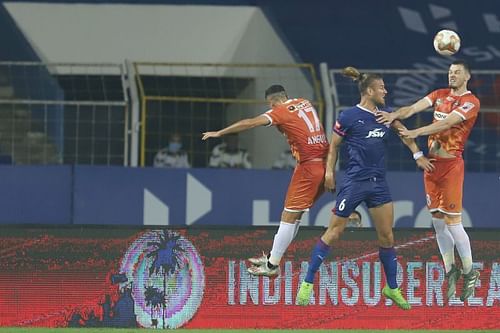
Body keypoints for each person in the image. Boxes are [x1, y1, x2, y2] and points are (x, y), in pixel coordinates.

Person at [296, 66, 434, 310]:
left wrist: (417, 155)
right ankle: (307, 282)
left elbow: (404, 133)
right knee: (334, 232)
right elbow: (335, 145)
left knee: (387, 236)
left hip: (378, 184)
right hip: (353, 182)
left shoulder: (386, 115)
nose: (386, 91)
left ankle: (391, 288)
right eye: (381, 88)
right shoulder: (348, 116)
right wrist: (329, 171)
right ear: (369, 91)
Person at [376, 59, 481, 302]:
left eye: (456, 72)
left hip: (451, 165)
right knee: (437, 221)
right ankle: (449, 269)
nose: (451, 75)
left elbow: (446, 123)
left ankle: (469, 270)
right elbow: (412, 109)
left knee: (453, 222)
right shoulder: (439, 94)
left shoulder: (470, 102)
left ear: (467, 76)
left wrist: (415, 133)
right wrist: (394, 115)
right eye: (450, 72)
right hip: (432, 166)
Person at [202, 85, 329, 276]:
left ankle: (271, 266)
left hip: (308, 168)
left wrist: (220, 133)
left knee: (288, 218)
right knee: (295, 217)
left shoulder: (280, 111)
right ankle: (272, 257)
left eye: (270, 105)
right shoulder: (304, 102)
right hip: (323, 165)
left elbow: (251, 122)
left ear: (271, 102)